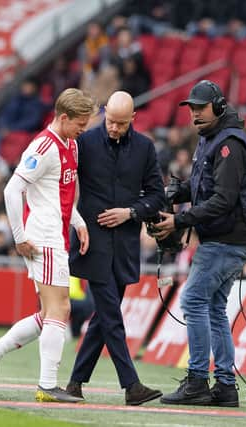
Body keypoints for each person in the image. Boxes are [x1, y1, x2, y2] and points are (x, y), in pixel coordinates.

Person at [0, 88, 96, 403]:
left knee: (48, 313)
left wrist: (77, 222)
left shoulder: (71, 144)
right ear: (63, 117)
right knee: (61, 308)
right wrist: (19, 236)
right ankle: (47, 385)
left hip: (56, 232)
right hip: (43, 235)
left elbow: (60, 194)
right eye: (80, 123)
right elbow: (13, 189)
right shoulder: (43, 146)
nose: (84, 129)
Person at [153, 80, 246, 407]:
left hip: (229, 237)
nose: (194, 114)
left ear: (218, 107)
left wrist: (179, 219)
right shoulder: (211, 139)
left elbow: (224, 199)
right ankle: (226, 387)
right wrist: (180, 192)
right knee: (215, 309)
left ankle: (197, 380)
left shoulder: (229, 143)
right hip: (229, 236)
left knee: (192, 301)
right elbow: (208, 185)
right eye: (191, 109)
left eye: (200, 108)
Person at [64, 91, 166, 406]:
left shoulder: (145, 148)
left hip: (124, 246)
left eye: (121, 124)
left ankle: (74, 383)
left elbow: (156, 196)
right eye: (110, 121)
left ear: (132, 119)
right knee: (110, 313)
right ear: (105, 113)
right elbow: (63, 183)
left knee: (103, 318)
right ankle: (131, 385)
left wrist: (130, 212)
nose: (114, 128)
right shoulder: (85, 142)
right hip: (91, 242)